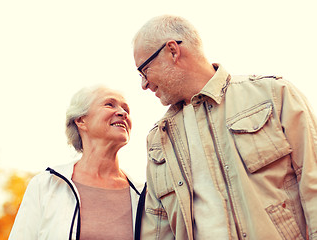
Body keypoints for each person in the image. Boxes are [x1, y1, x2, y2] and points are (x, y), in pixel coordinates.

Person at [132, 15, 317, 240]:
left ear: (172, 51)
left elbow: (312, 180)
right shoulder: (158, 140)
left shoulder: (273, 95)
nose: (143, 84)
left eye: (144, 70)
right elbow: (157, 227)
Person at [9, 86, 144, 240]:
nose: (123, 113)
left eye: (126, 109)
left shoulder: (144, 195)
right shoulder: (46, 184)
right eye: (109, 104)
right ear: (81, 120)